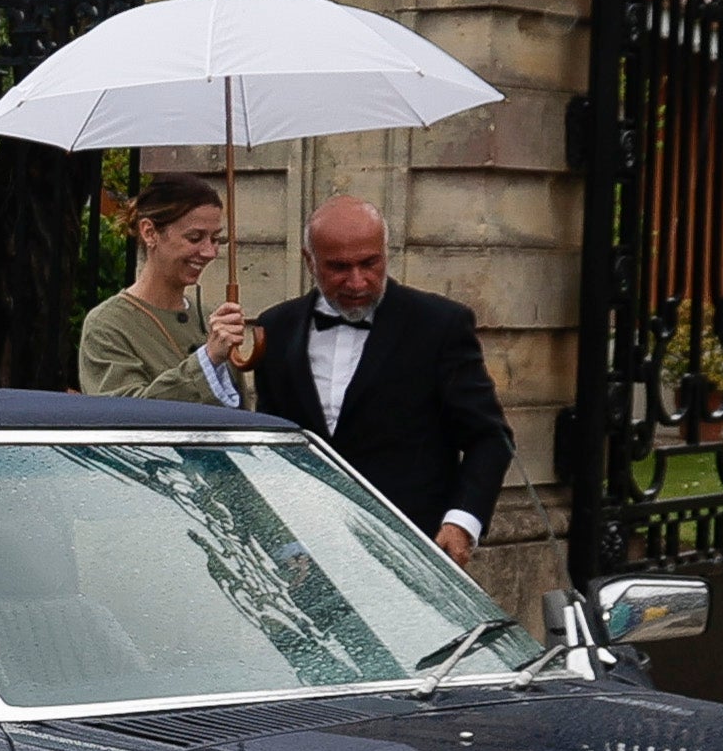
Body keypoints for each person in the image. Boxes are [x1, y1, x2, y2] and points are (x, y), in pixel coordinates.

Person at [247, 197, 513, 566]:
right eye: (339, 267)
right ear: (310, 261)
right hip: (305, 556)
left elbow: (490, 438)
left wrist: (461, 522)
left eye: (369, 263)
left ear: (385, 252)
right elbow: (271, 445)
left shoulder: (439, 324)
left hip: (413, 550)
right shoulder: (276, 326)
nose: (357, 281)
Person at [79, 175, 256, 403]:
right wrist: (208, 360)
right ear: (150, 232)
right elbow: (124, 416)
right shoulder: (107, 325)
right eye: (195, 238)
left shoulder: (209, 318)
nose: (210, 252)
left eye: (215, 239)